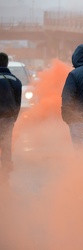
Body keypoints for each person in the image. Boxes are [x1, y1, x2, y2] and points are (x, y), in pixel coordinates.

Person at [0, 52, 22, 186]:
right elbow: (18, 102)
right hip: (8, 118)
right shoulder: (15, 80)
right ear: (7, 63)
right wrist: (14, 118)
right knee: (6, 145)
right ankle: (6, 172)